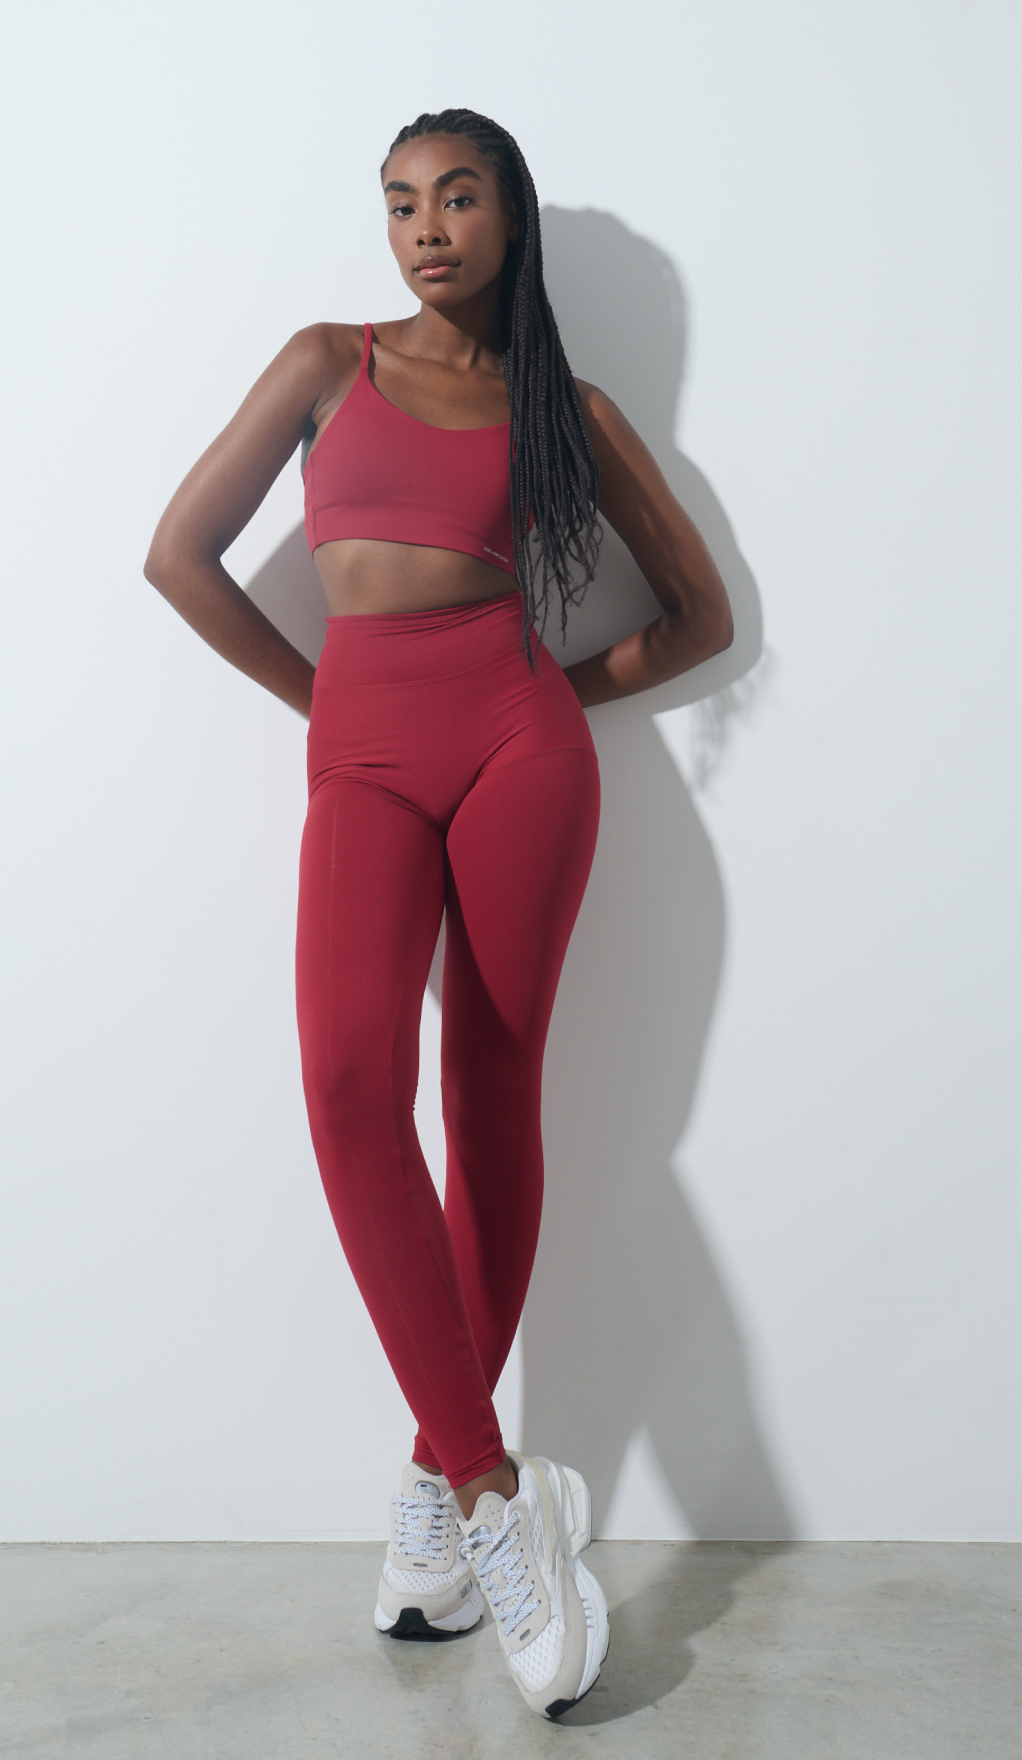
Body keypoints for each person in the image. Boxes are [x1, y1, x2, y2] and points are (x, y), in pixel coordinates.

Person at [144, 107, 732, 1720]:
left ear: (507, 217)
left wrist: (543, 696)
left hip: (520, 749)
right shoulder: (323, 363)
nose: (424, 226)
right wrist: (323, 706)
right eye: (400, 200)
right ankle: (492, 1494)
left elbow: (697, 616)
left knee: (486, 1098)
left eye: (456, 196)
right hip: (365, 753)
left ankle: (429, 1481)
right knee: (349, 1082)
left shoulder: (563, 410)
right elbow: (178, 556)